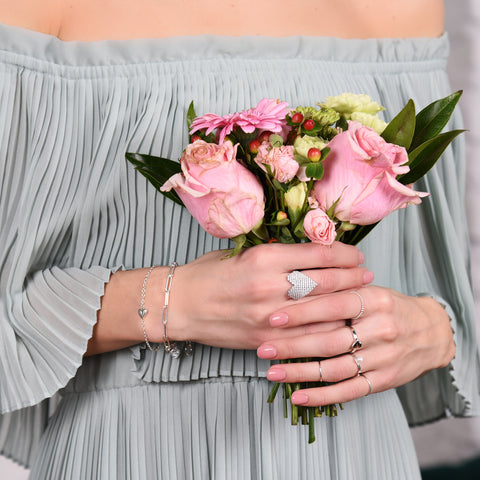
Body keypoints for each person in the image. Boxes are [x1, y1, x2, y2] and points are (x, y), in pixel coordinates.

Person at [0, 0, 478, 478]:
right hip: (133, 449)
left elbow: (441, 287)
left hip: (355, 449)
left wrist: (431, 330)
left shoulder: (399, 8)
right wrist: (174, 300)